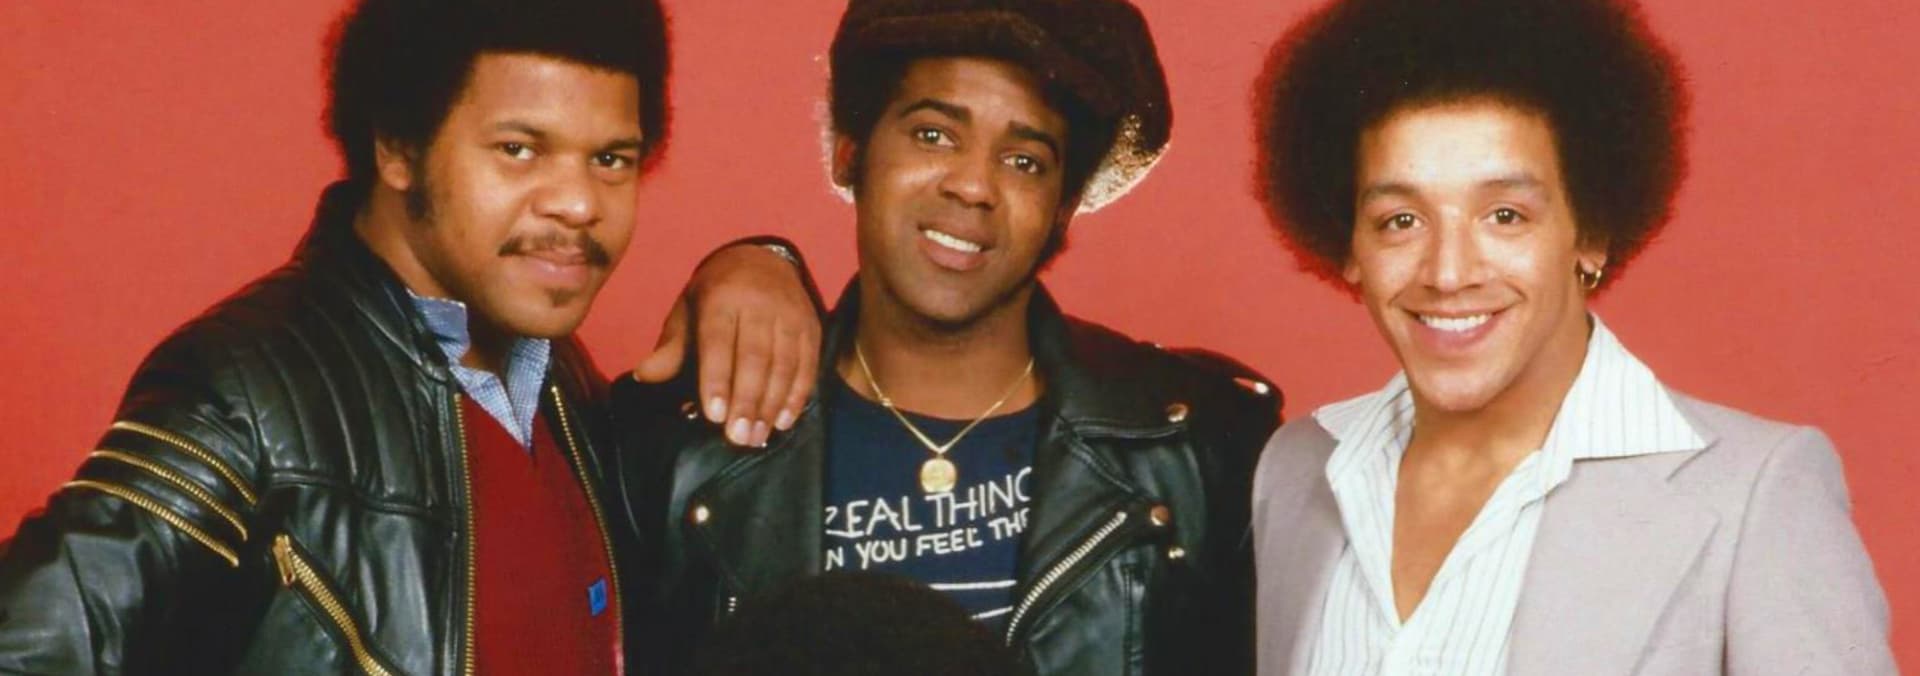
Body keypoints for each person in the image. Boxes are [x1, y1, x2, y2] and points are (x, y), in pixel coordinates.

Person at [0, 0, 819, 673]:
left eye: (610, 160)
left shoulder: (559, 382)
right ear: (397, 146)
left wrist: (761, 261)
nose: (578, 202)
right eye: (519, 149)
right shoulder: (244, 393)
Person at [616, 1, 1283, 673]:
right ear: (850, 152)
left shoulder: (1198, 452)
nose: (972, 186)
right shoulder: (687, 447)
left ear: (1062, 209)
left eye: (1024, 161)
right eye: (933, 134)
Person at [1248, 0, 1896, 673]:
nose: (1448, 272)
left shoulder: (1753, 493)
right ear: (1349, 246)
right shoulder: (1296, 469)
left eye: (1505, 215)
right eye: (1400, 221)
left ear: (1589, 236)